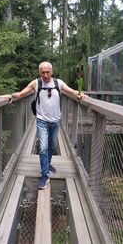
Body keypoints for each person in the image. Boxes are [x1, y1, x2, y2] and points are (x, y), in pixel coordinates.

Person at [8, 61, 86, 190]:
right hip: (41, 120)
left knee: (52, 146)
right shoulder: (36, 83)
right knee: (43, 147)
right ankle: (45, 175)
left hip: (55, 121)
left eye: (47, 72)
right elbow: (22, 94)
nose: (45, 75)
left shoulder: (58, 83)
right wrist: (10, 96)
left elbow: (72, 92)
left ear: (52, 71)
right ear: (39, 72)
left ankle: (47, 163)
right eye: (42, 72)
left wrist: (80, 94)